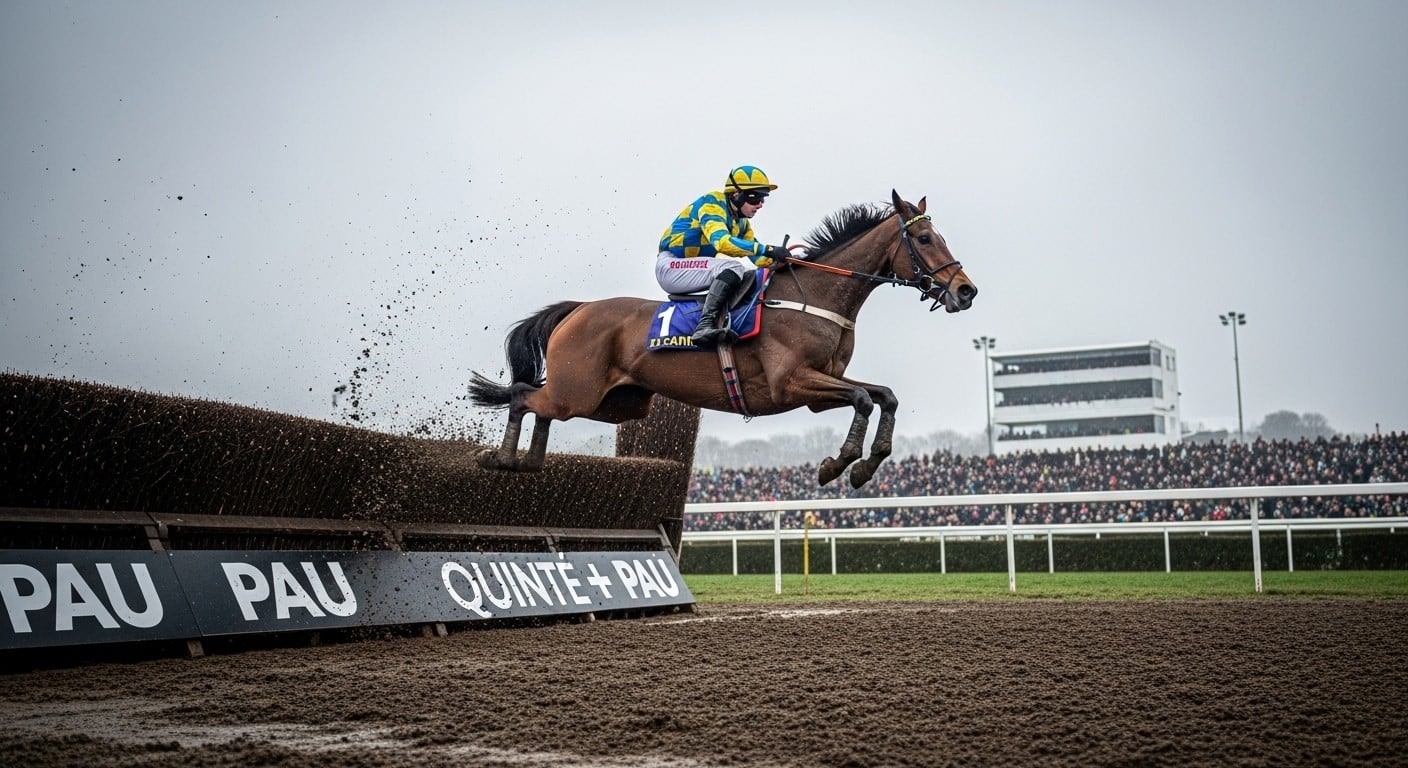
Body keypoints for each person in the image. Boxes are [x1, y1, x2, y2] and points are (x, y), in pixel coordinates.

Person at [655, 165, 791, 347]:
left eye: (763, 198)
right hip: (671, 266)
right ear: (736, 194)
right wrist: (768, 249)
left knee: (748, 273)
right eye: (755, 197)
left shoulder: (741, 223)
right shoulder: (712, 204)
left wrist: (787, 260)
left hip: (692, 269)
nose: (760, 204)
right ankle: (704, 326)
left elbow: (759, 260)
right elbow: (722, 242)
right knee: (732, 267)